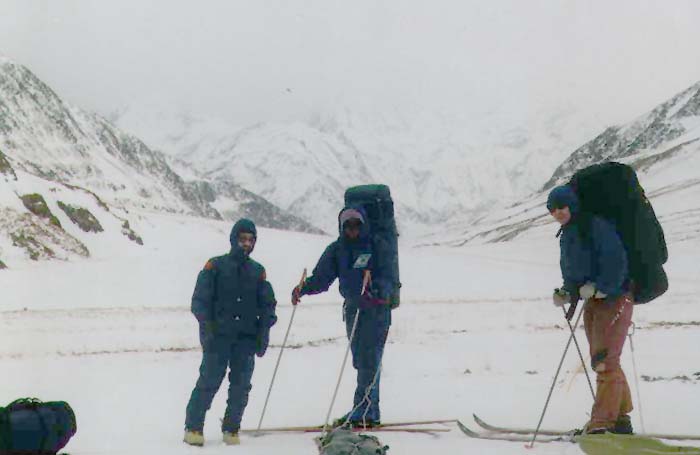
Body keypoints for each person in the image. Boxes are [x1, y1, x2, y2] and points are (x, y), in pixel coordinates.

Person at [292, 207, 392, 428]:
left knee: (369, 360)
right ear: (341, 226)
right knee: (360, 359)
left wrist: (377, 290)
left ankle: (363, 412)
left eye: (356, 224)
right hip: (353, 308)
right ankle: (368, 409)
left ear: (363, 224)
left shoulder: (376, 246)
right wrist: (303, 289)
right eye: (348, 225)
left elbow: (389, 277)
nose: (352, 229)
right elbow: (321, 278)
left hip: (375, 310)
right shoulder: (338, 249)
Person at [547, 184, 634, 435]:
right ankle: (620, 419)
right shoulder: (568, 234)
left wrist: (602, 287)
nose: (558, 213)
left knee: (603, 360)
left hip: (615, 297)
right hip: (593, 300)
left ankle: (602, 423)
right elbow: (573, 271)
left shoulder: (596, 226)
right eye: (552, 210)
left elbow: (616, 260)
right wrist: (567, 293)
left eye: (561, 207)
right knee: (605, 358)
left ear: (572, 204)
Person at [184, 219, 277, 446]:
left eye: (250, 240)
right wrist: (208, 329)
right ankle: (193, 427)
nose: (246, 244)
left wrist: (263, 332)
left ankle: (231, 428)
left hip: (245, 339)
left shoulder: (258, 271)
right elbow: (199, 302)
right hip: (218, 338)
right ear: (233, 239)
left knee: (241, 385)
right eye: (242, 239)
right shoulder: (214, 266)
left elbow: (267, 306)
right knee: (209, 381)